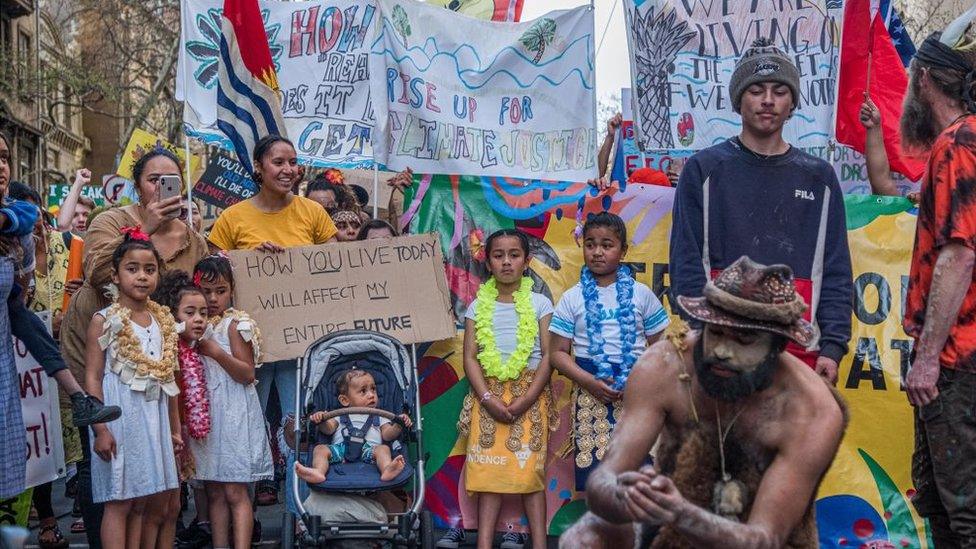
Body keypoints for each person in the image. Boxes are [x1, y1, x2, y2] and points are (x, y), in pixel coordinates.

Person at [562, 256, 846, 548]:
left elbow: (763, 539)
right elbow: (604, 479)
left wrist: (681, 513)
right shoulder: (665, 365)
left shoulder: (812, 410)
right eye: (717, 332)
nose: (722, 350)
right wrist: (626, 496)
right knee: (585, 537)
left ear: (777, 346)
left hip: (757, 540)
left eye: (744, 341)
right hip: (670, 532)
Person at [669, 37, 853, 383]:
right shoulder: (703, 170)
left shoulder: (820, 178)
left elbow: (836, 270)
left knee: (793, 439)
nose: (768, 101)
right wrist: (700, 333)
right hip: (721, 345)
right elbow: (685, 261)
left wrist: (832, 346)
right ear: (739, 99)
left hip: (797, 349)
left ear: (793, 102)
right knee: (715, 439)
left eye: (779, 90)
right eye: (756, 90)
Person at [59, 147, 208, 548]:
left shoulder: (193, 240)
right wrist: (146, 226)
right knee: (110, 477)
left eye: (170, 179)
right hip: (106, 368)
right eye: (152, 180)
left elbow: (203, 292)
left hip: (158, 375)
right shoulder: (111, 220)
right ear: (137, 187)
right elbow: (95, 272)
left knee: (156, 482)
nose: (162, 187)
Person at [208, 134, 337, 506]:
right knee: (243, 427)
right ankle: (241, 517)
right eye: (279, 162)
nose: (289, 170)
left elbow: (336, 268)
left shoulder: (313, 214)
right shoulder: (233, 218)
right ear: (259, 169)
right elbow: (215, 276)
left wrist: (296, 263)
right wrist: (248, 259)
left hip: (299, 344)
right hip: (245, 348)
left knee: (298, 429)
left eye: (293, 162)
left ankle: (299, 519)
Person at [900, 19, 976, 546]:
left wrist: (928, 358)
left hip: (956, 360)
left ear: (924, 78)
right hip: (959, 358)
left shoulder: (957, 142)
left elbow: (959, 256)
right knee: (941, 506)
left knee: (963, 513)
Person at [548, 211, 669, 491]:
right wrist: (590, 382)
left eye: (607, 245)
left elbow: (662, 348)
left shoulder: (641, 294)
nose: (597, 252)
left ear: (623, 250)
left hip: (637, 392)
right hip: (590, 388)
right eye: (590, 244)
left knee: (640, 477)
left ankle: (638, 535)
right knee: (598, 479)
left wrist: (642, 384)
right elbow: (557, 354)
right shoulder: (572, 297)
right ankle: (601, 534)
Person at [454, 229, 556, 549]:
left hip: (530, 391)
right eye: (499, 255)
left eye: (514, 255)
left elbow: (549, 356)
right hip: (488, 394)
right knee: (488, 473)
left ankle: (539, 544)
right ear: (489, 261)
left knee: (529, 475)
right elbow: (469, 357)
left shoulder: (540, 303)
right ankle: (484, 544)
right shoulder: (476, 307)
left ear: (526, 262)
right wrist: (486, 397)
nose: (507, 262)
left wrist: (527, 398)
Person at [84, 230, 181, 549]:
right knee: (119, 500)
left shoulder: (162, 319)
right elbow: (93, 377)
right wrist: (100, 428)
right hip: (117, 418)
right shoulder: (103, 320)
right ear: (115, 274)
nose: (142, 276)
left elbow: (167, 378)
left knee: (142, 500)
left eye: (149, 269)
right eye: (132, 269)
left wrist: (172, 428)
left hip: (151, 420)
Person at [192, 254, 273, 548]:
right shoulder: (193, 324)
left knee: (235, 491)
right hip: (206, 414)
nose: (213, 298)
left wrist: (216, 353)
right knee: (213, 490)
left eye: (220, 290)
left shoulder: (235, 324)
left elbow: (247, 373)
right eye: (206, 290)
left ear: (231, 290)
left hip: (234, 414)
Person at [294, 370, 411, 483]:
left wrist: (398, 425)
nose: (371, 395)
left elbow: (387, 435)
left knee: (383, 449)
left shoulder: (380, 416)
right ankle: (319, 471)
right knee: (319, 449)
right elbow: (328, 430)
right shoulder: (338, 415)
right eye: (363, 391)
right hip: (341, 450)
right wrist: (321, 420)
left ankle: (387, 469)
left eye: (373, 389)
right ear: (344, 400)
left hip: (369, 451)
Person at [56, 168, 95, 236]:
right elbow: (63, 225)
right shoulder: (64, 241)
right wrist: (78, 183)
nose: (81, 220)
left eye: (86, 215)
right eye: (74, 215)